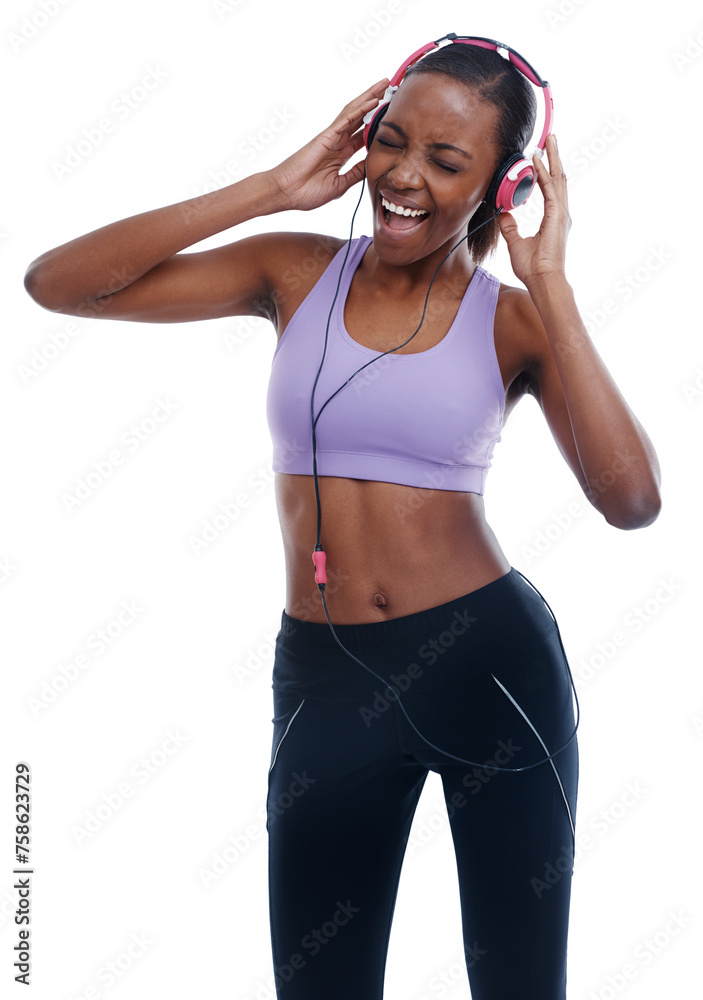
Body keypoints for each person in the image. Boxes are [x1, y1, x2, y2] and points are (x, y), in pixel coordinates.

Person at [24, 34, 661, 1000]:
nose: (403, 177)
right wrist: (273, 188)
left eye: (446, 162)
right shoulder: (292, 271)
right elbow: (59, 285)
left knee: (521, 983)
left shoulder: (516, 321)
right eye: (390, 143)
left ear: (503, 187)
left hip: (487, 666)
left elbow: (631, 503)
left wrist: (555, 285)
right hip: (326, 680)